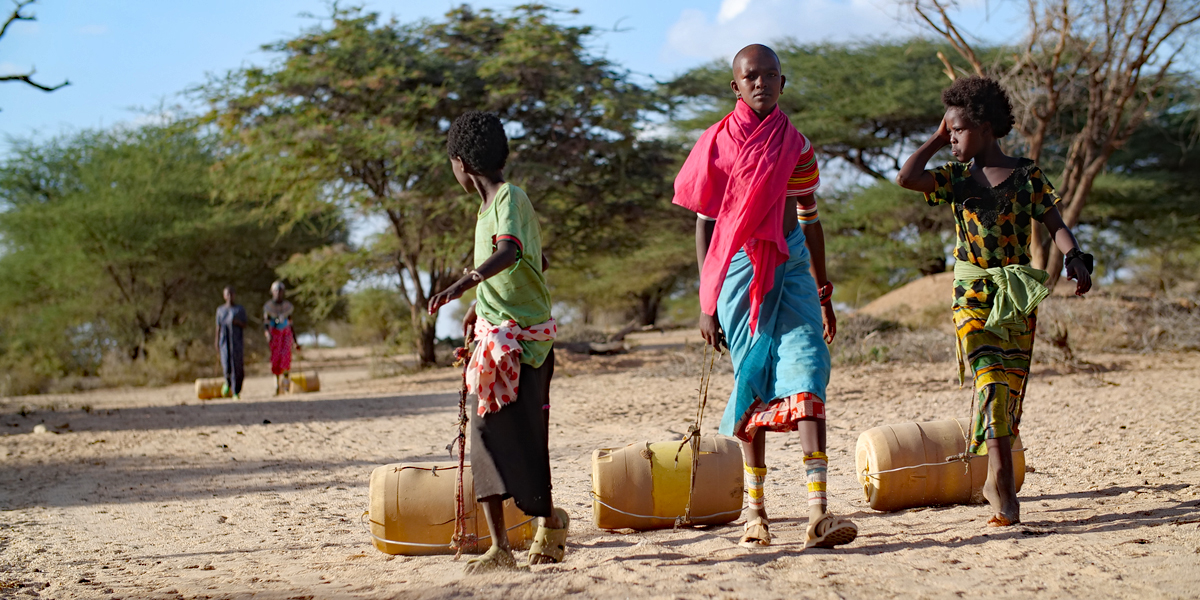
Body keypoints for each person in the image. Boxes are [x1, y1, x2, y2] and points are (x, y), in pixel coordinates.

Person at [673, 44, 857, 549]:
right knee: (752, 379)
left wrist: (823, 292)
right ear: (735, 86)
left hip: (794, 268)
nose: (760, 83)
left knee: (808, 368)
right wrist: (706, 302)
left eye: (770, 76)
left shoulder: (795, 145)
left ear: (783, 83)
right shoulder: (715, 145)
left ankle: (818, 511)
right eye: (750, 77)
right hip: (737, 272)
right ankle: (756, 513)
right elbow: (706, 225)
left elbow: (809, 216)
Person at [896, 75, 1093, 526]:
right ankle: (1002, 480)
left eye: (958, 131)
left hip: (1017, 296)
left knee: (1011, 392)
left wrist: (1075, 257)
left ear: (985, 127)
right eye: (947, 133)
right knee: (990, 382)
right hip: (972, 294)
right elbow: (907, 177)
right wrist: (938, 134)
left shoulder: (1027, 176)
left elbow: (1054, 221)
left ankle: (996, 472)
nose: (951, 140)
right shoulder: (954, 179)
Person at [427, 111, 566, 572]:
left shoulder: (509, 198)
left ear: (462, 163)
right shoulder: (486, 211)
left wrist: (464, 283)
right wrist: (477, 308)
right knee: (484, 430)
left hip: (528, 343)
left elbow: (509, 251)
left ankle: (548, 522)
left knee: (528, 433)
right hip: (495, 337)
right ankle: (500, 547)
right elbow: (535, 259)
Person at [263, 281, 299, 396]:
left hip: (286, 333)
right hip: (275, 334)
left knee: (286, 357)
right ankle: (277, 385)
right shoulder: (268, 307)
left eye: (280, 291)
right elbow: (266, 323)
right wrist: (268, 334)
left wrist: (295, 340)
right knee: (276, 358)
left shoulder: (287, 307)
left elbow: (290, 323)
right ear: (272, 292)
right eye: (276, 290)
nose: (278, 293)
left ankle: (286, 382)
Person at [214, 286, 247, 399]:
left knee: (237, 366)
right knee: (226, 365)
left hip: (237, 342)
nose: (229, 296)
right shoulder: (220, 310)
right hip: (224, 342)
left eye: (231, 294)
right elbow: (217, 327)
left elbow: (245, 324)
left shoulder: (239, 309)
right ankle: (227, 384)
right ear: (224, 296)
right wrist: (217, 341)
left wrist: (236, 322)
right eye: (227, 294)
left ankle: (236, 391)